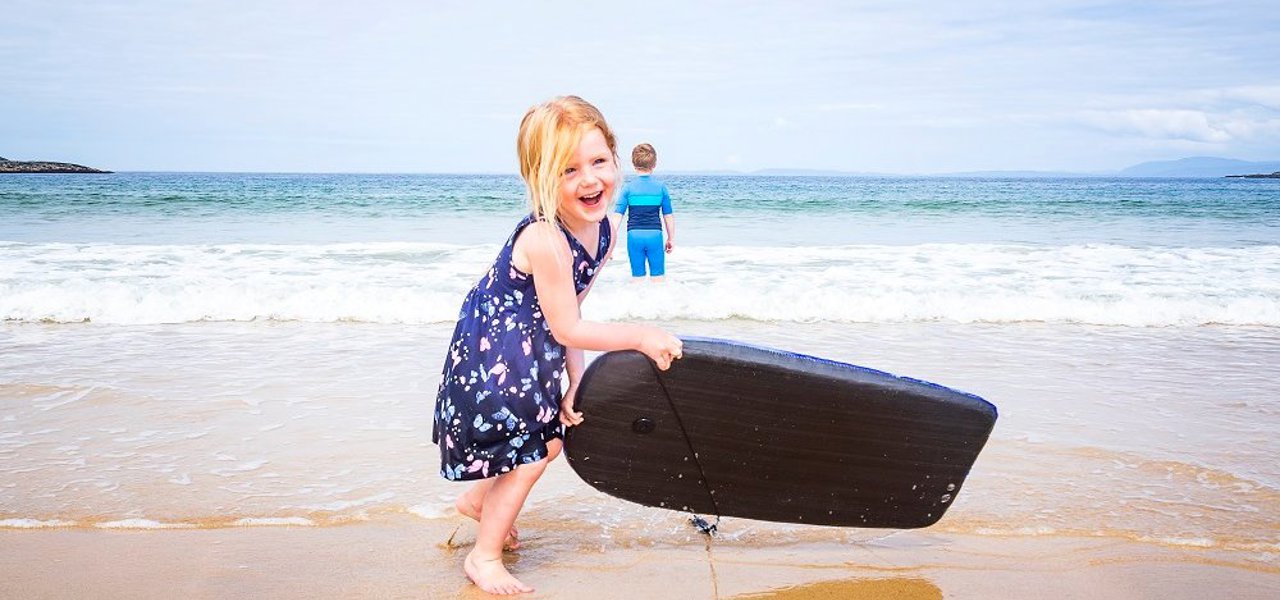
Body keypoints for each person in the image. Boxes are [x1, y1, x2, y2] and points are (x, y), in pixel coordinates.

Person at [432, 96, 684, 595]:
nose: (589, 180)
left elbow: (574, 312)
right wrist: (639, 335)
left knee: (546, 443)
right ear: (539, 178)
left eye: (598, 162)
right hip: (495, 355)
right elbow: (567, 326)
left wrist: (576, 383)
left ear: (616, 157)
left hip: (535, 348)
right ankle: (483, 557)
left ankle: (481, 502)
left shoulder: (607, 231)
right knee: (530, 452)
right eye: (568, 170)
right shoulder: (546, 238)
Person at [610, 143, 676, 281]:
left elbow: (617, 217)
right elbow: (668, 216)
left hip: (634, 236)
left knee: (637, 278)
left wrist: (610, 243)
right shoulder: (661, 188)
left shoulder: (628, 189)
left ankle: (637, 302)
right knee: (658, 278)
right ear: (654, 164)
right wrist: (671, 238)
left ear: (634, 164)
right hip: (655, 236)